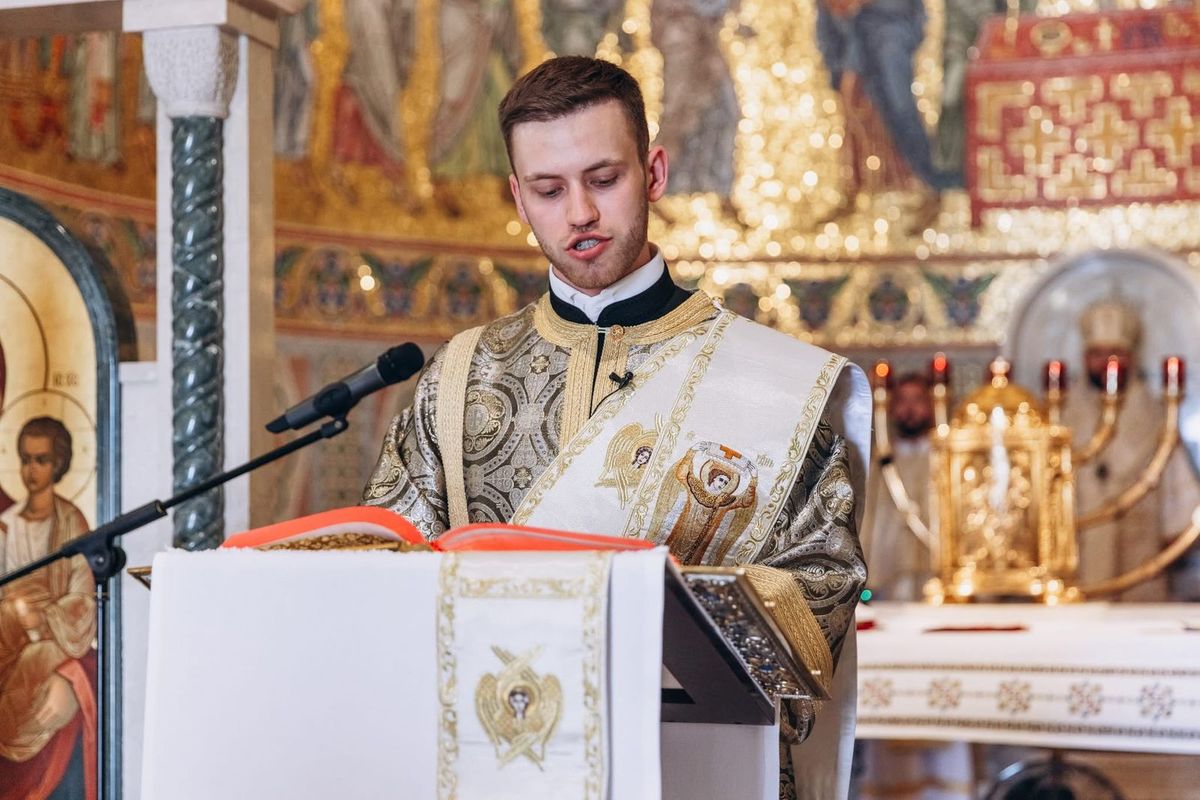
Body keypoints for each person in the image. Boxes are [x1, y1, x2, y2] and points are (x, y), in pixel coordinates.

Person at [363, 55, 870, 798]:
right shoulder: (460, 377)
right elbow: (388, 575)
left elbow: (822, 586)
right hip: (507, 760)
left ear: (653, 173)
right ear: (518, 197)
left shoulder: (775, 385)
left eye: (603, 179)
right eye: (548, 190)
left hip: (696, 768)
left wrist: (652, 615)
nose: (580, 213)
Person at [1064, 299, 1200, 601]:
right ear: (1084, 358)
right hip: (1077, 558)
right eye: (1097, 354)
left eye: (1116, 353)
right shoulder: (1061, 415)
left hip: (1139, 557)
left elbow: (1180, 494)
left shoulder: (1157, 416)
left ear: (1133, 357)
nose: (1106, 364)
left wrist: (1174, 537)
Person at [0, 417, 96, 800]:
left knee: (36, 658)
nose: (31, 470)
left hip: (55, 640)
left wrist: (44, 618)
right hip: (7, 638)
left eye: (41, 460)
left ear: (58, 463)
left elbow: (83, 598)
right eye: (25, 459)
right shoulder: (6, 525)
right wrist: (14, 614)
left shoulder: (71, 522)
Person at [862, 371, 933, 602]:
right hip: (889, 572)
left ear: (931, 406)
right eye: (902, 400)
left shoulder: (944, 458)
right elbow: (868, 517)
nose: (910, 409)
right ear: (892, 408)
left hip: (933, 568)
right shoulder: (882, 461)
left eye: (917, 400)